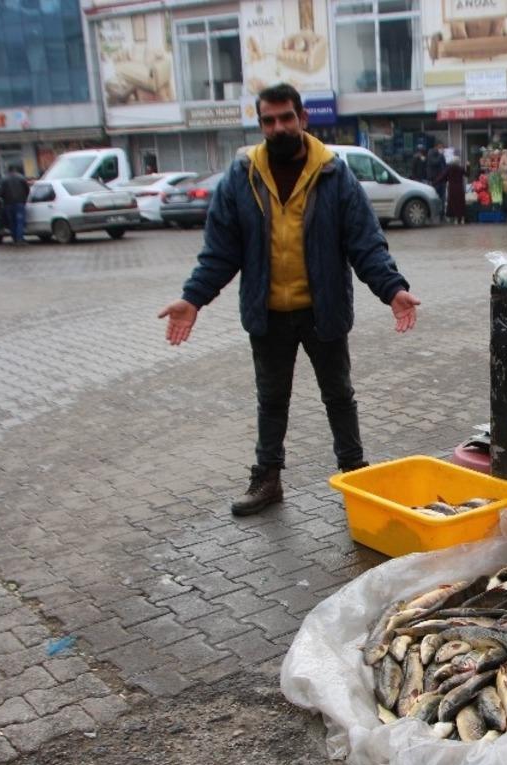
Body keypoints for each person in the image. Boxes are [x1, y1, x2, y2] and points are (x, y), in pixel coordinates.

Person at [157, 83, 421, 517]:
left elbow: (365, 243)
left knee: (339, 395)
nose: (278, 127)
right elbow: (221, 251)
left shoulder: (334, 175)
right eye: (269, 120)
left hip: (324, 310)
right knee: (271, 399)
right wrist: (193, 298)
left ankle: (355, 476)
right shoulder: (241, 177)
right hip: (268, 313)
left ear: (302, 118)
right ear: (261, 123)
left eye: (286, 118)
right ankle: (268, 480)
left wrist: (392, 289)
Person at [0, 165, 30, 245]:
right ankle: (20, 239)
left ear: (8, 170)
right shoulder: (21, 178)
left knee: (12, 222)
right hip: (20, 203)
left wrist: (3, 199)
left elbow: (0, 192)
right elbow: (27, 190)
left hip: (8, 204)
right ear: (15, 169)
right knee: (20, 221)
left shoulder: (3, 179)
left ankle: (15, 238)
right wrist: (24, 199)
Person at [442, 156, 467, 225]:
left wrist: (435, 182)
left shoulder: (449, 169)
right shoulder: (461, 169)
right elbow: (468, 174)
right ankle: (461, 219)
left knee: (452, 203)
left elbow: (443, 177)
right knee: (460, 203)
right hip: (460, 189)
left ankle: (454, 219)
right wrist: (468, 166)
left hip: (452, 189)